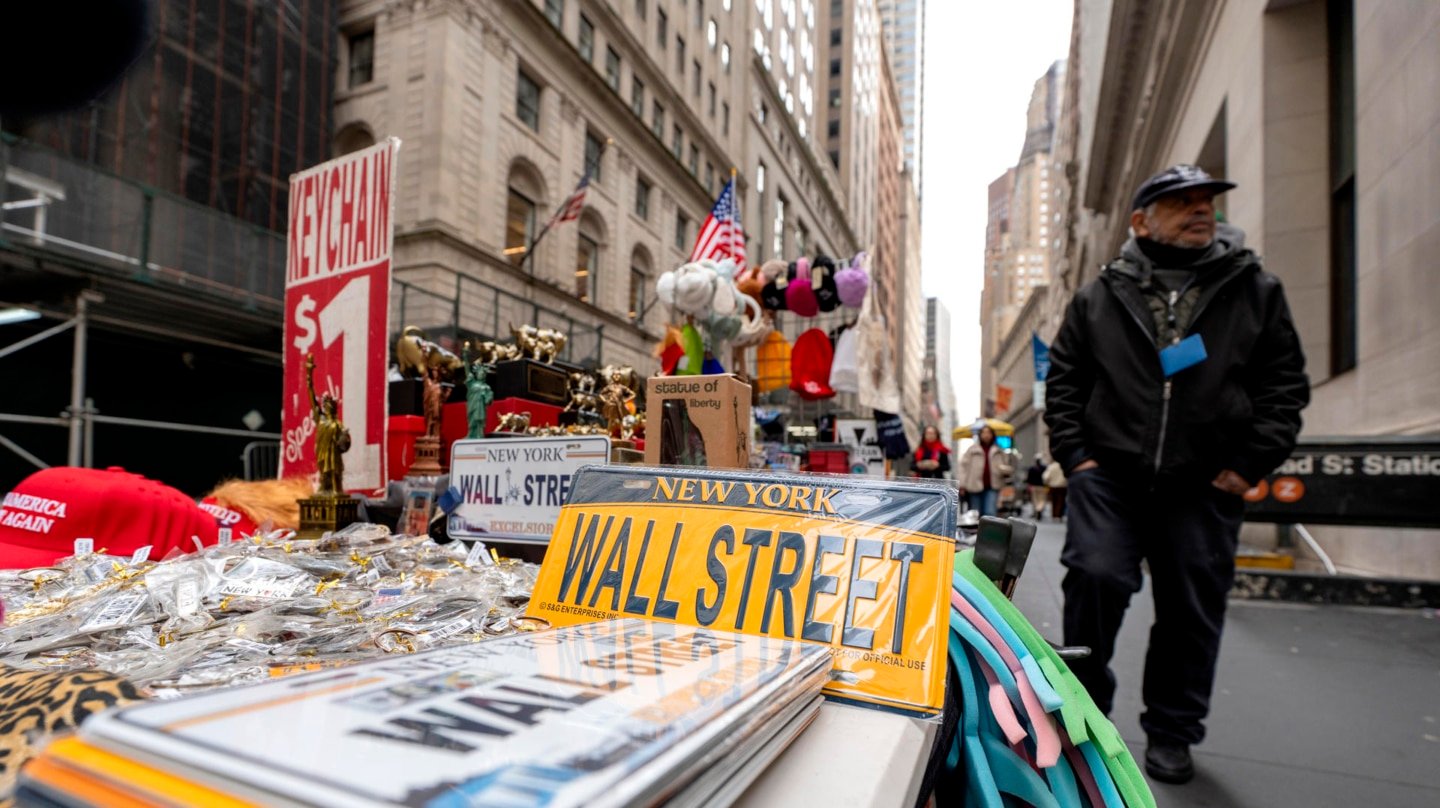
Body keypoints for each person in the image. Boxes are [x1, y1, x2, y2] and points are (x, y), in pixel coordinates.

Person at [1044, 165, 1309, 785]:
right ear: (1141, 221)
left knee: (1192, 609)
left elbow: (1284, 385)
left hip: (1204, 482)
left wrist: (1248, 466)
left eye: (1205, 203)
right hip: (1109, 475)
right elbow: (1065, 381)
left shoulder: (1255, 289)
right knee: (1094, 576)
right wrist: (1077, 457)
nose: (1200, 211)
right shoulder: (1098, 296)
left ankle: (1171, 731)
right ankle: (1085, 711)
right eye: (1181, 203)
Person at [958, 426, 1013, 516]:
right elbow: (963, 467)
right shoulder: (972, 449)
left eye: (989, 433)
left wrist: (1004, 469)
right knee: (975, 514)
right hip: (974, 485)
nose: (986, 435)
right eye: (984, 432)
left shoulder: (999, 450)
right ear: (980, 435)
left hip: (993, 485)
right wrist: (962, 485)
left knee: (990, 513)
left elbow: (1007, 465)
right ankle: (976, 530)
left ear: (992, 435)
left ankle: (989, 530)